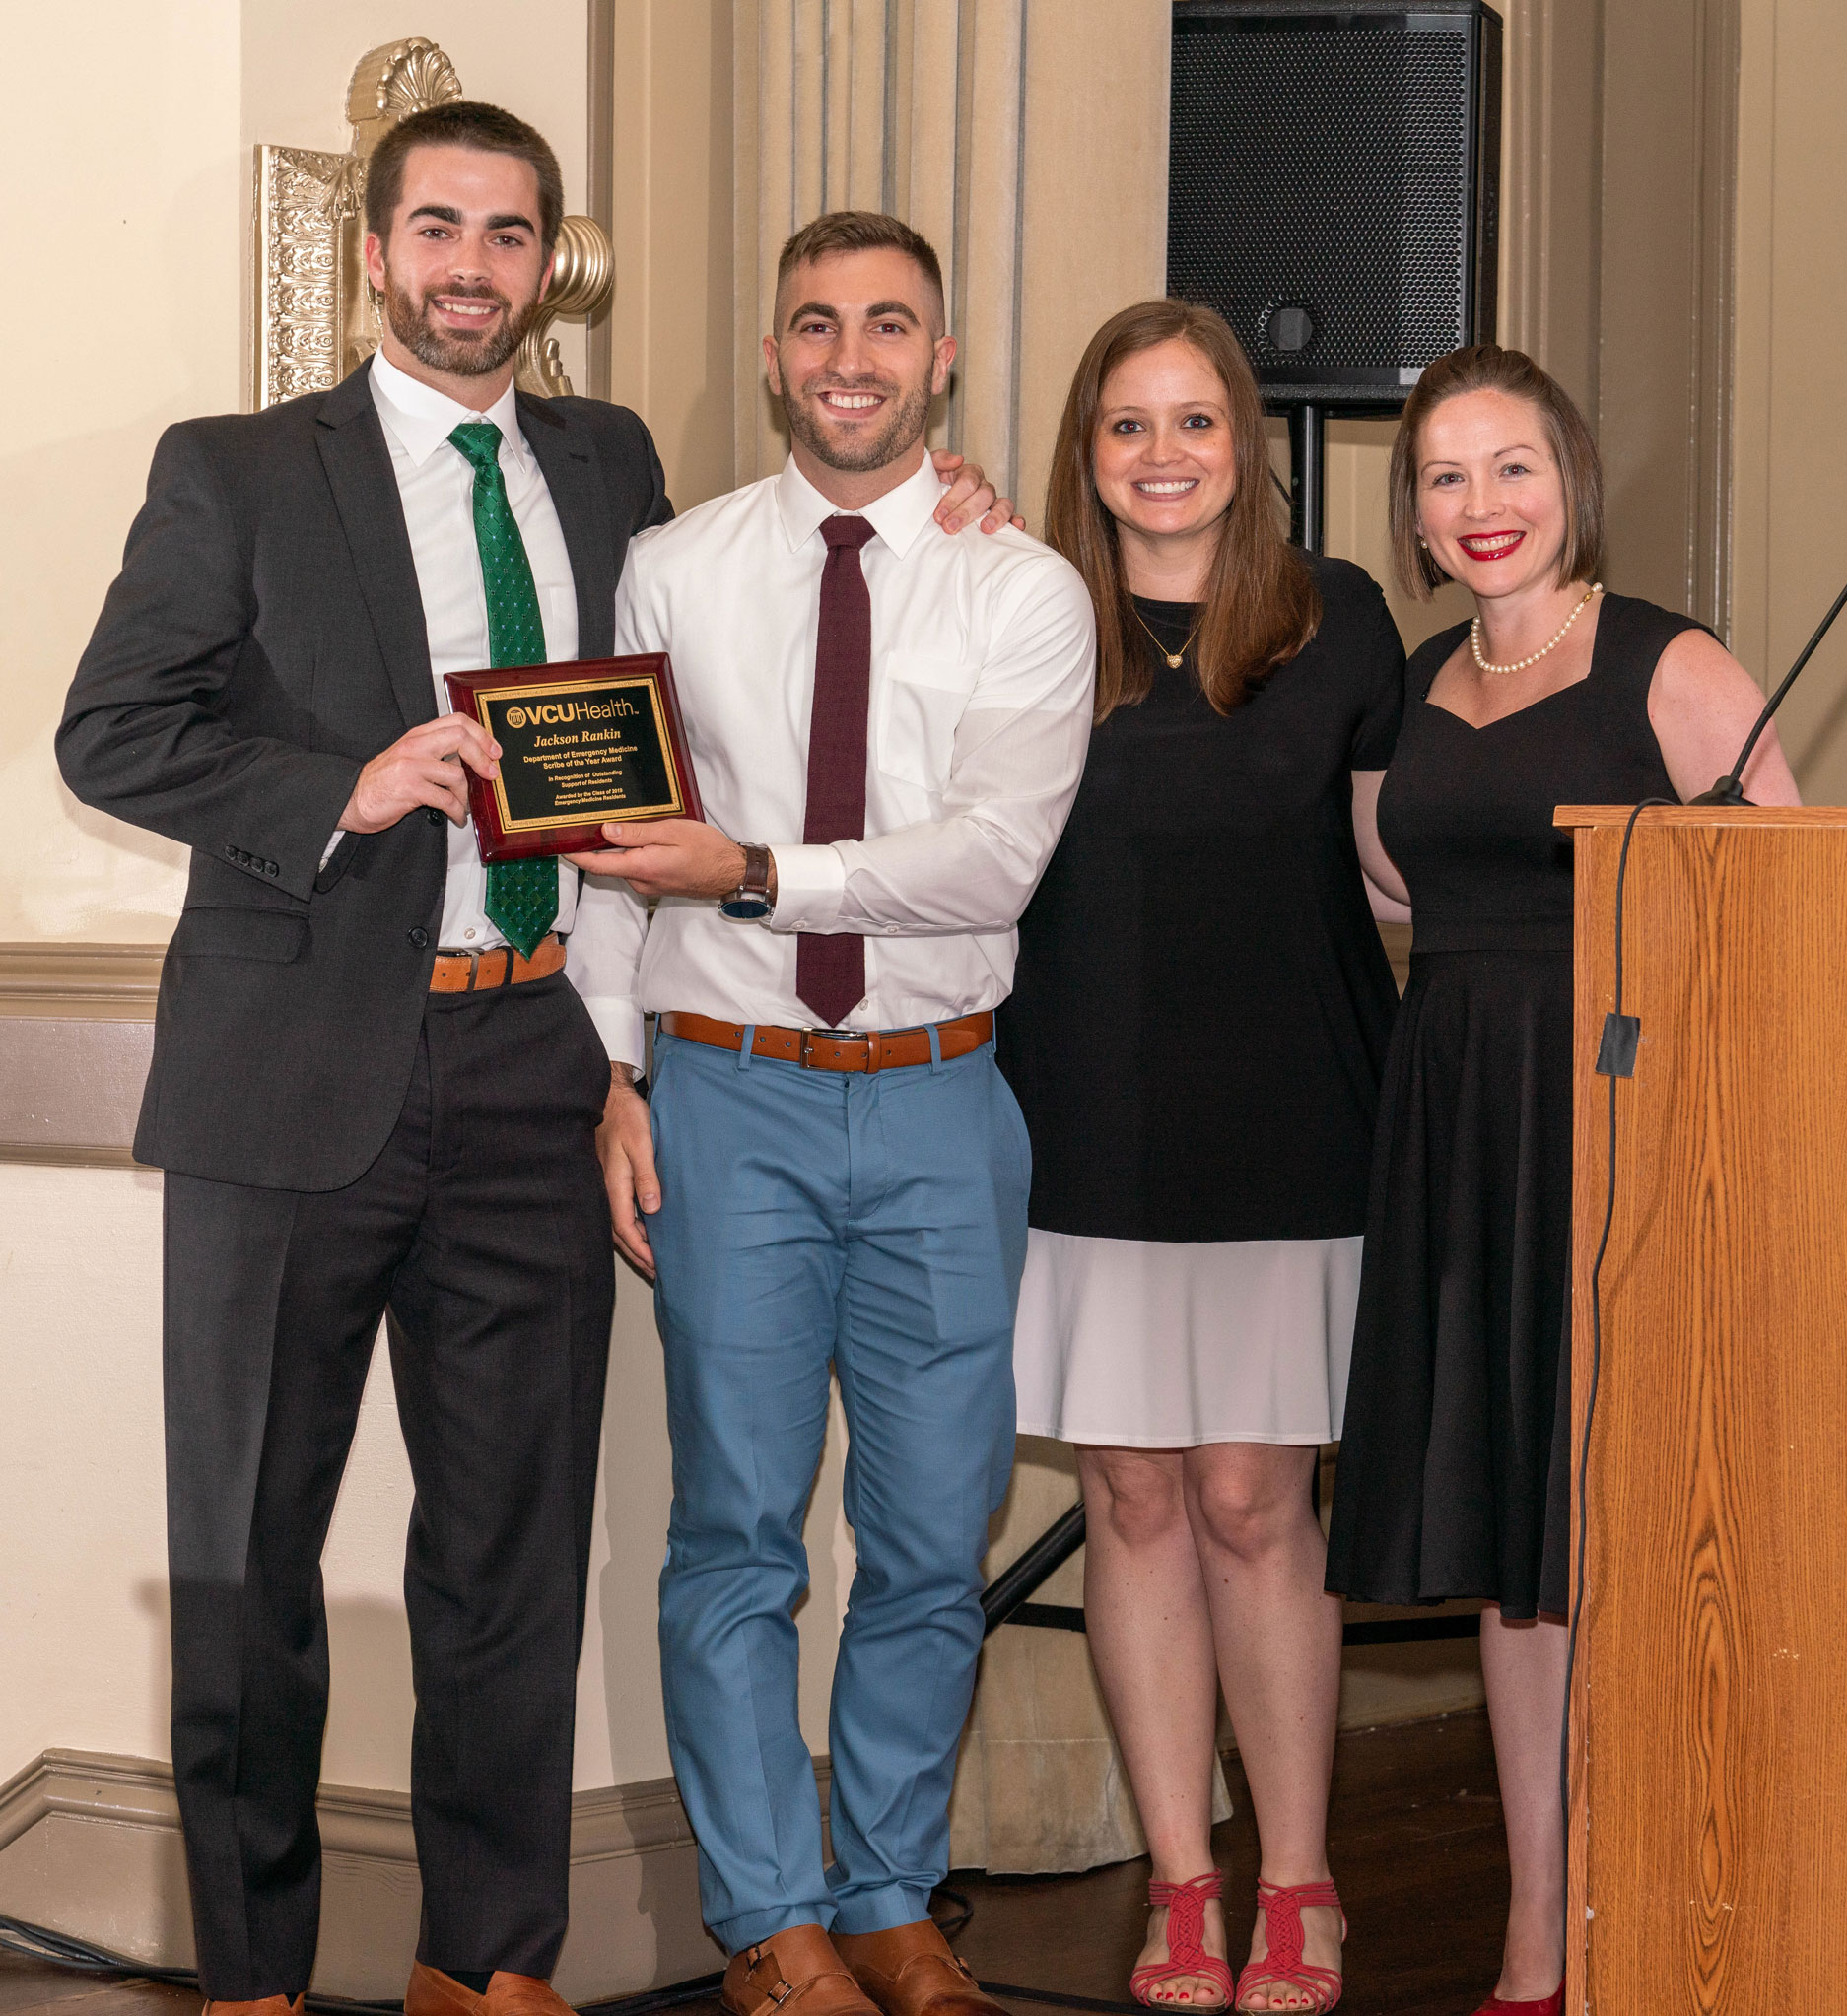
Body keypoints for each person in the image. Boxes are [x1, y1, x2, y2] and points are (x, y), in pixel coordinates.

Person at [55, 111, 1009, 2016]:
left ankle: (483, 1961)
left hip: (534, 1066)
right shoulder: (234, 469)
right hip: (291, 1081)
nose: (472, 263)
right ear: (381, 251)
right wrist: (341, 783)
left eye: (510, 231)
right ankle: (252, 1973)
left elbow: (746, 632)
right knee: (249, 1551)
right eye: (439, 227)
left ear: (551, 261)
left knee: (508, 1551)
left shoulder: (610, 462)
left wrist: (933, 518)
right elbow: (110, 731)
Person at [564, 210, 1095, 2016]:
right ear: (778, 352)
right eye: (816, 324)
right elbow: (619, 859)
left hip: (950, 1109)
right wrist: (618, 1073)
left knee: (937, 1536)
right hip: (731, 1101)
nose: (850, 355)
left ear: (942, 357)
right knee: (735, 1532)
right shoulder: (673, 568)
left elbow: (993, 861)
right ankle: (770, 1916)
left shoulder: (1023, 587)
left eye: (889, 324)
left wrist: (761, 867)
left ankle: (884, 1890)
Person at [1323, 344, 1799, 2016]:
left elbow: (1791, 914)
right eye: (1446, 478)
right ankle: (1541, 1930)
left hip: (1629, 1133)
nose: (1481, 504)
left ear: (1569, 479)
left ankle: (1669, 1919)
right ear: (1419, 517)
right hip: (1460, 1123)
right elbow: (1388, 872)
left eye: (1511, 467)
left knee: (1633, 1536)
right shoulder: (1418, 685)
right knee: (1521, 1560)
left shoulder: (1668, 662)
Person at [992, 299, 1405, 2016]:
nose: (1163, 457)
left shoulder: (1345, 619)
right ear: (1085, 457)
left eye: (1195, 422)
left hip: (1295, 1114)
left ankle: (1293, 1882)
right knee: (1134, 1495)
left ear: (1247, 442)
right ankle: (1181, 1884)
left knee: (1254, 1499)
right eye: (1126, 427)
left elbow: (1398, 876)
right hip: (1077, 1112)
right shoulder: (1021, 614)